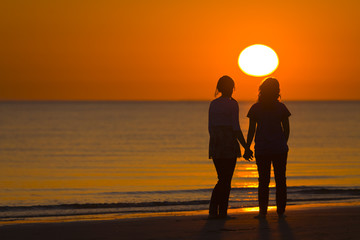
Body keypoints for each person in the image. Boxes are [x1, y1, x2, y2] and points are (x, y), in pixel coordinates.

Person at [208, 75, 253, 219]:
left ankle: (215, 210)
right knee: (226, 180)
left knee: (222, 178)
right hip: (228, 143)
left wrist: (216, 139)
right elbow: (236, 128)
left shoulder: (213, 104)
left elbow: (210, 127)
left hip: (215, 143)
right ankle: (220, 211)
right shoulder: (233, 104)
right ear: (231, 88)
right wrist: (246, 146)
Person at [246, 77, 291, 218]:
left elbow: (251, 130)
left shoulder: (256, 108)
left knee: (263, 181)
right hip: (279, 148)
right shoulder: (281, 107)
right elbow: (287, 129)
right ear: (277, 91)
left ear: (262, 90)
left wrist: (247, 147)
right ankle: (281, 211)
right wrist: (283, 142)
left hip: (262, 149)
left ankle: (263, 212)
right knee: (280, 180)